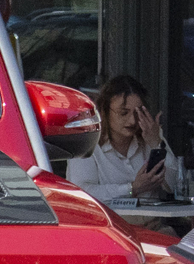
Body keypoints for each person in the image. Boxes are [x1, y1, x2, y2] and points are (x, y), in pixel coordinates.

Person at [64, 74, 173, 207]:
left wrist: (156, 143)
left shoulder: (150, 136)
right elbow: (81, 193)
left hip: (152, 224)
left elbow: (176, 187)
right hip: (109, 225)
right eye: (123, 113)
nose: (133, 121)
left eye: (138, 113)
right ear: (105, 111)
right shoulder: (85, 142)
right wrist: (132, 188)